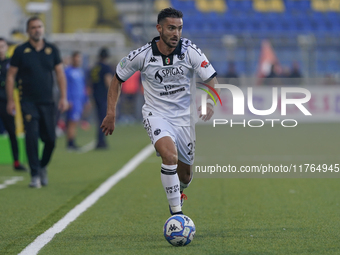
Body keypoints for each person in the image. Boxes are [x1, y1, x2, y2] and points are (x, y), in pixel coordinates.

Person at [101, 7, 218, 215]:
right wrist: (111, 113)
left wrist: (209, 103)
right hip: (157, 115)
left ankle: (178, 192)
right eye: (171, 28)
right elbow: (117, 79)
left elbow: (211, 79)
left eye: (180, 29)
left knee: (186, 176)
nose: (176, 33)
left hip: (184, 119)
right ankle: (176, 214)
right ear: (159, 28)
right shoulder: (143, 55)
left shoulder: (190, 51)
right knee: (169, 156)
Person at [6, 16, 68, 188]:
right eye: (33, 27)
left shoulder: (52, 50)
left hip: (48, 102)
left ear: (43, 29)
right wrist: (11, 100)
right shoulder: (20, 51)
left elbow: (60, 74)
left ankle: (42, 166)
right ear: (28, 31)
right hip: (27, 102)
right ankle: (34, 174)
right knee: (31, 137)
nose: (37, 30)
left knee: (50, 140)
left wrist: (63, 97)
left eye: (39, 26)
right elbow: (11, 76)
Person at [0, 37, 26, 171]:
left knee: (12, 132)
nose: (0, 50)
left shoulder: (11, 63)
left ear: (6, 48)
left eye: (2, 46)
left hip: (6, 102)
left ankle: (16, 161)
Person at [90, 48, 114, 149]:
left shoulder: (95, 67)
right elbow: (108, 81)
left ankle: (100, 140)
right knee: (103, 119)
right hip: (104, 96)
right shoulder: (106, 67)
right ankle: (101, 141)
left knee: (99, 118)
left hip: (95, 95)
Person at [65, 51, 86, 150]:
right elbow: (66, 87)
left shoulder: (80, 72)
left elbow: (82, 87)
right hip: (72, 100)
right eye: (76, 58)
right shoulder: (68, 71)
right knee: (71, 122)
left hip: (79, 100)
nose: (78, 60)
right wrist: (67, 100)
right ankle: (70, 143)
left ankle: (72, 141)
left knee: (75, 121)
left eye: (79, 58)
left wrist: (85, 99)